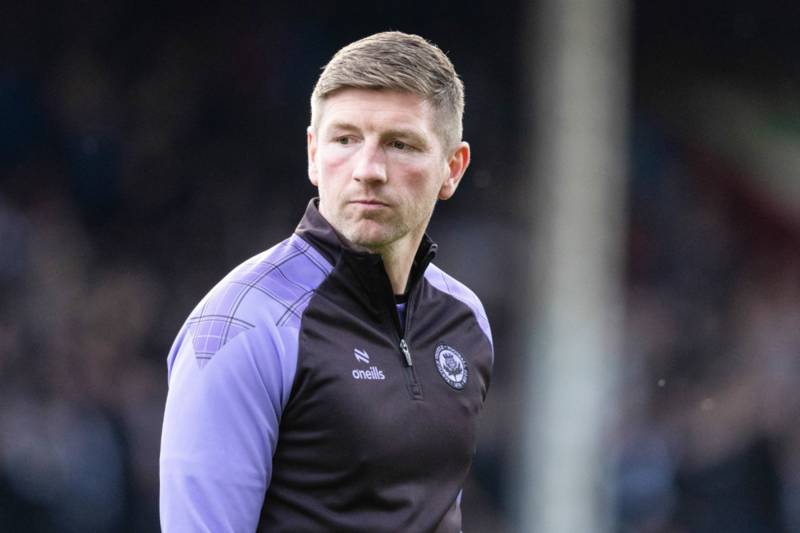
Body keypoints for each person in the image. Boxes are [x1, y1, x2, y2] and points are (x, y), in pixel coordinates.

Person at [159, 31, 494, 532]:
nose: (368, 170)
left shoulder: (466, 321)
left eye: (400, 144)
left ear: (452, 169)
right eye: (345, 140)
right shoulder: (240, 325)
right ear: (313, 154)